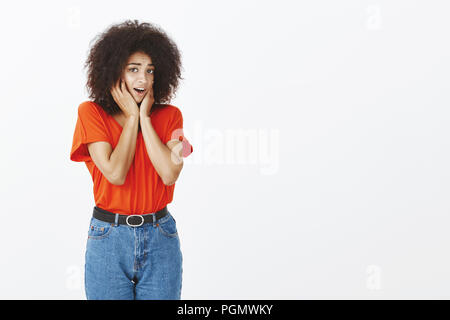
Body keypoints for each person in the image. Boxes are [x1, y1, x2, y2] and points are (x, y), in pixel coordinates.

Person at [69, 19, 193, 300]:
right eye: (133, 69)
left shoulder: (171, 116)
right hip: (108, 238)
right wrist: (131, 118)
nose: (143, 80)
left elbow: (170, 173)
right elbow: (115, 173)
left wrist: (145, 119)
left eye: (150, 71)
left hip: (161, 236)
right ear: (114, 72)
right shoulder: (91, 113)